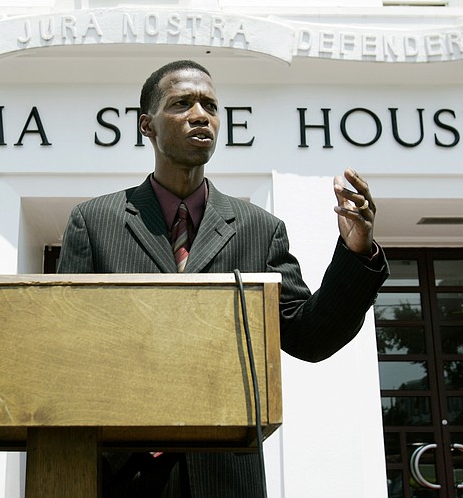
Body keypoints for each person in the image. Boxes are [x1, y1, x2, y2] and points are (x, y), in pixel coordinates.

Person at [57, 60, 389, 497]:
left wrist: (355, 251)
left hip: (226, 475)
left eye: (210, 105)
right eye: (182, 104)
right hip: (122, 470)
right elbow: (65, 348)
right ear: (147, 125)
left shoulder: (258, 228)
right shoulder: (95, 221)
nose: (201, 115)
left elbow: (310, 336)